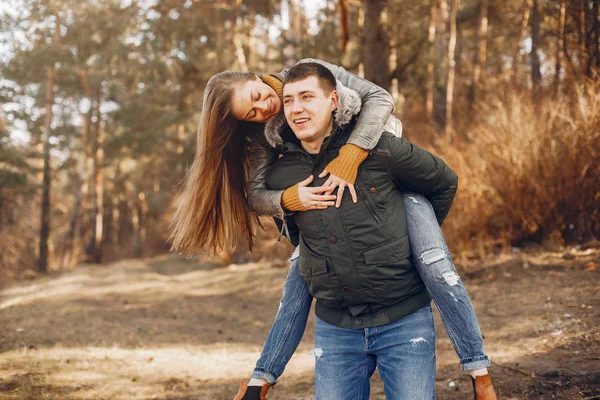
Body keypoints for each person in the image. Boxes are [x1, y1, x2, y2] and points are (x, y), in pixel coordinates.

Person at [169, 59, 496, 400]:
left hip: (378, 159)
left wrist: (356, 163)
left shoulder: (312, 74)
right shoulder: (269, 134)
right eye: (251, 113)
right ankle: (259, 381)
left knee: (433, 261)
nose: (265, 107)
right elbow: (256, 195)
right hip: (335, 295)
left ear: (256, 76)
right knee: (301, 275)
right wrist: (289, 198)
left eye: (257, 95)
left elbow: (381, 99)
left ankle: (478, 369)